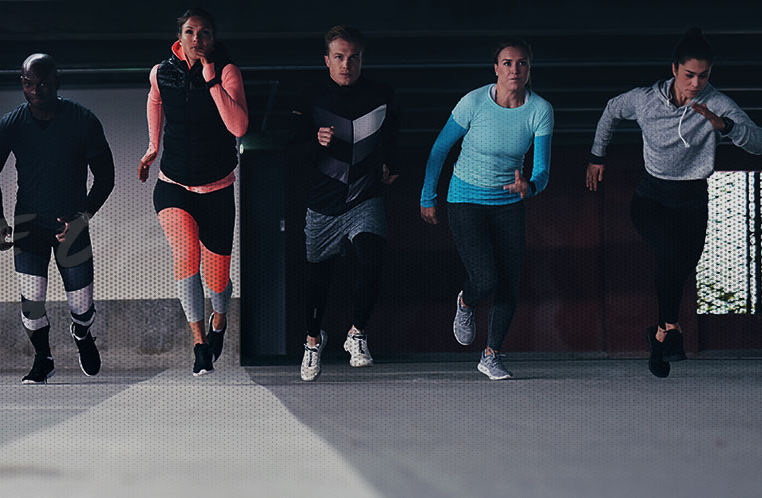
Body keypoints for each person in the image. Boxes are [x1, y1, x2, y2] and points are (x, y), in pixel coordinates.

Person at [586, 28, 762, 378]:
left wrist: (725, 126)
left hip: (693, 201)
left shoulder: (717, 103)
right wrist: (596, 156)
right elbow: (611, 110)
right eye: (689, 75)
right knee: (670, 255)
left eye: (704, 76)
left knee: (680, 268)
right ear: (674, 69)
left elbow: (758, 143)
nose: (696, 84)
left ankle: (661, 334)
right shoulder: (645, 100)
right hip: (651, 198)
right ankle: (669, 327)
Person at [420, 38, 554, 380]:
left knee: (509, 282)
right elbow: (439, 150)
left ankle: (491, 355)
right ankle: (466, 301)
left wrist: (529, 186)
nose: (514, 70)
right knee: (485, 278)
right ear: (496, 68)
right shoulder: (474, 102)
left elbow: (542, 171)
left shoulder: (540, 110)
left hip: (509, 204)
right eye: (507, 63)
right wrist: (427, 196)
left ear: (529, 69)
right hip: (465, 199)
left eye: (522, 63)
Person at [0, 53, 114, 382]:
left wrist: (83, 217)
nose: (36, 90)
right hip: (29, 225)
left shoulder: (82, 120)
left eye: (43, 83)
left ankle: (82, 333)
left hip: (72, 226)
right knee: (31, 304)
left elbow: (106, 176)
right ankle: (43, 358)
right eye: (29, 83)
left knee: (82, 307)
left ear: (57, 82)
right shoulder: (11, 124)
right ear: (22, 84)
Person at [137, 8, 248, 376]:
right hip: (174, 185)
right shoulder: (161, 72)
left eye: (204, 33)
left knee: (217, 282)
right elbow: (155, 100)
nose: (197, 39)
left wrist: (211, 80)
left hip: (217, 190)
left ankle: (219, 318)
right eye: (190, 32)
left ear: (213, 39)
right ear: (180, 36)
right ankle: (199, 343)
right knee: (186, 255)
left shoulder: (228, 71)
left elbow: (239, 127)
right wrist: (153, 146)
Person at [287, 26, 400, 382]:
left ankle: (357, 333)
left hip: (365, 197)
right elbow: (290, 153)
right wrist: (315, 142)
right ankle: (312, 341)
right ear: (327, 60)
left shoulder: (382, 94)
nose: (346, 65)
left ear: (362, 59)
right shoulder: (310, 96)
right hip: (323, 204)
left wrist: (390, 164)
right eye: (339, 57)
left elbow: (393, 138)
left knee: (371, 261)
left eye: (353, 58)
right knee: (317, 281)